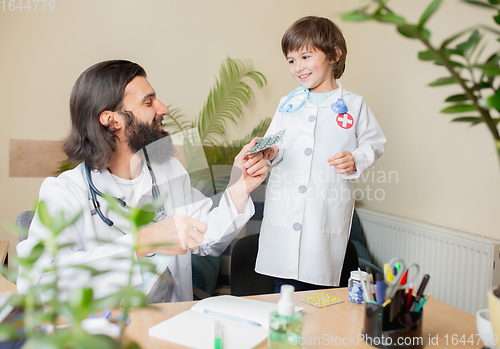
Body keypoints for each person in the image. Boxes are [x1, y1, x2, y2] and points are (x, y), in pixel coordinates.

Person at [16, 60, 268, 302]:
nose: (163, 109)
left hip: (168, 322)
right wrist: (142, 241)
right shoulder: (65, 192)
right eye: (148, 102)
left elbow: (205, 236)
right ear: (111, 120)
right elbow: (38, 284)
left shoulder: (167, 170)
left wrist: (240, 186)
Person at [255, 16, 386, 291]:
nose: (297, 67)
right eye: (291, 60)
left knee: (320, 295)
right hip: (285, 213)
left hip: (323, 216)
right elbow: (276, 144)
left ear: (334, 55)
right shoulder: (287, 104)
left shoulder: (354, 105)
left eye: (305, 56)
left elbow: (374, 143)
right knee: (286, 292)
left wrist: (356, 159)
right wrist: (269, 150)